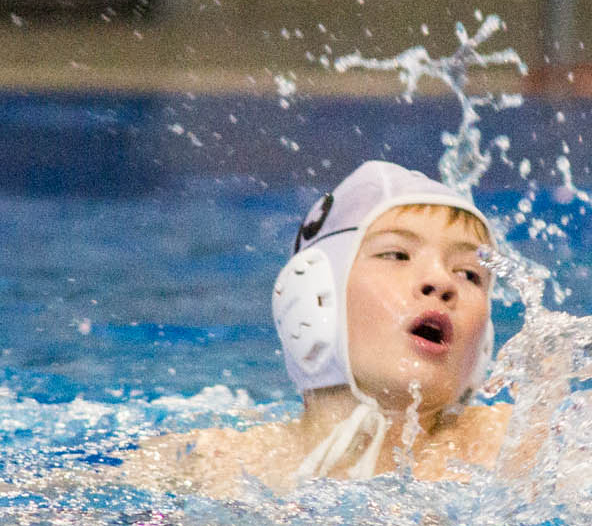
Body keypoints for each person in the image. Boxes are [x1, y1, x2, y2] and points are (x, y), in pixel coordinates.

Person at [122, 161, 513, 495]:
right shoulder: (214, 463)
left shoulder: (508, 447)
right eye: (397, 254)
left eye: (469, 274)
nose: (442, 282)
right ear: (314, 291)